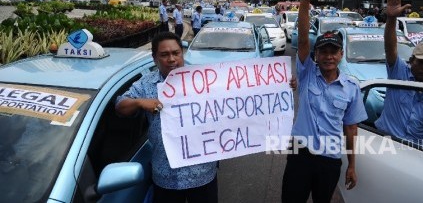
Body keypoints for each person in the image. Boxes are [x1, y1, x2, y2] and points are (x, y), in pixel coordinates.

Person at [116, 32, 298, 203]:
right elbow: (120, 105)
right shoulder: (146, 84)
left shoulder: (203, 80)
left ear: (182, 53)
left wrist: (280, 83)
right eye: (164, 55)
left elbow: (241, 95)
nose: (171, 59)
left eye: (175, 53)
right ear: (155, 58)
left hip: (202, 175)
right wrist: (140, 102)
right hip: (165, 177)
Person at [281, 0, 367, 203]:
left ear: (341, 55)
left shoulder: (351, 87)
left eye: (334, 51)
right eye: (323, 52)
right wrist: (304, 0)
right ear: (315, 56)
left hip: (330, 160)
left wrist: (352, 165)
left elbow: (351, 129)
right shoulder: (307, 73)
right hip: (300, 155)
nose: (328, 56)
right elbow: (303, 36)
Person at [374, 0, 423, 146]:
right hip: (387, 143)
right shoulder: (398, 72)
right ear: (412, 61)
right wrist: (391, 19)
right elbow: (390, 47)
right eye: (421, 62)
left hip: (418, 150)